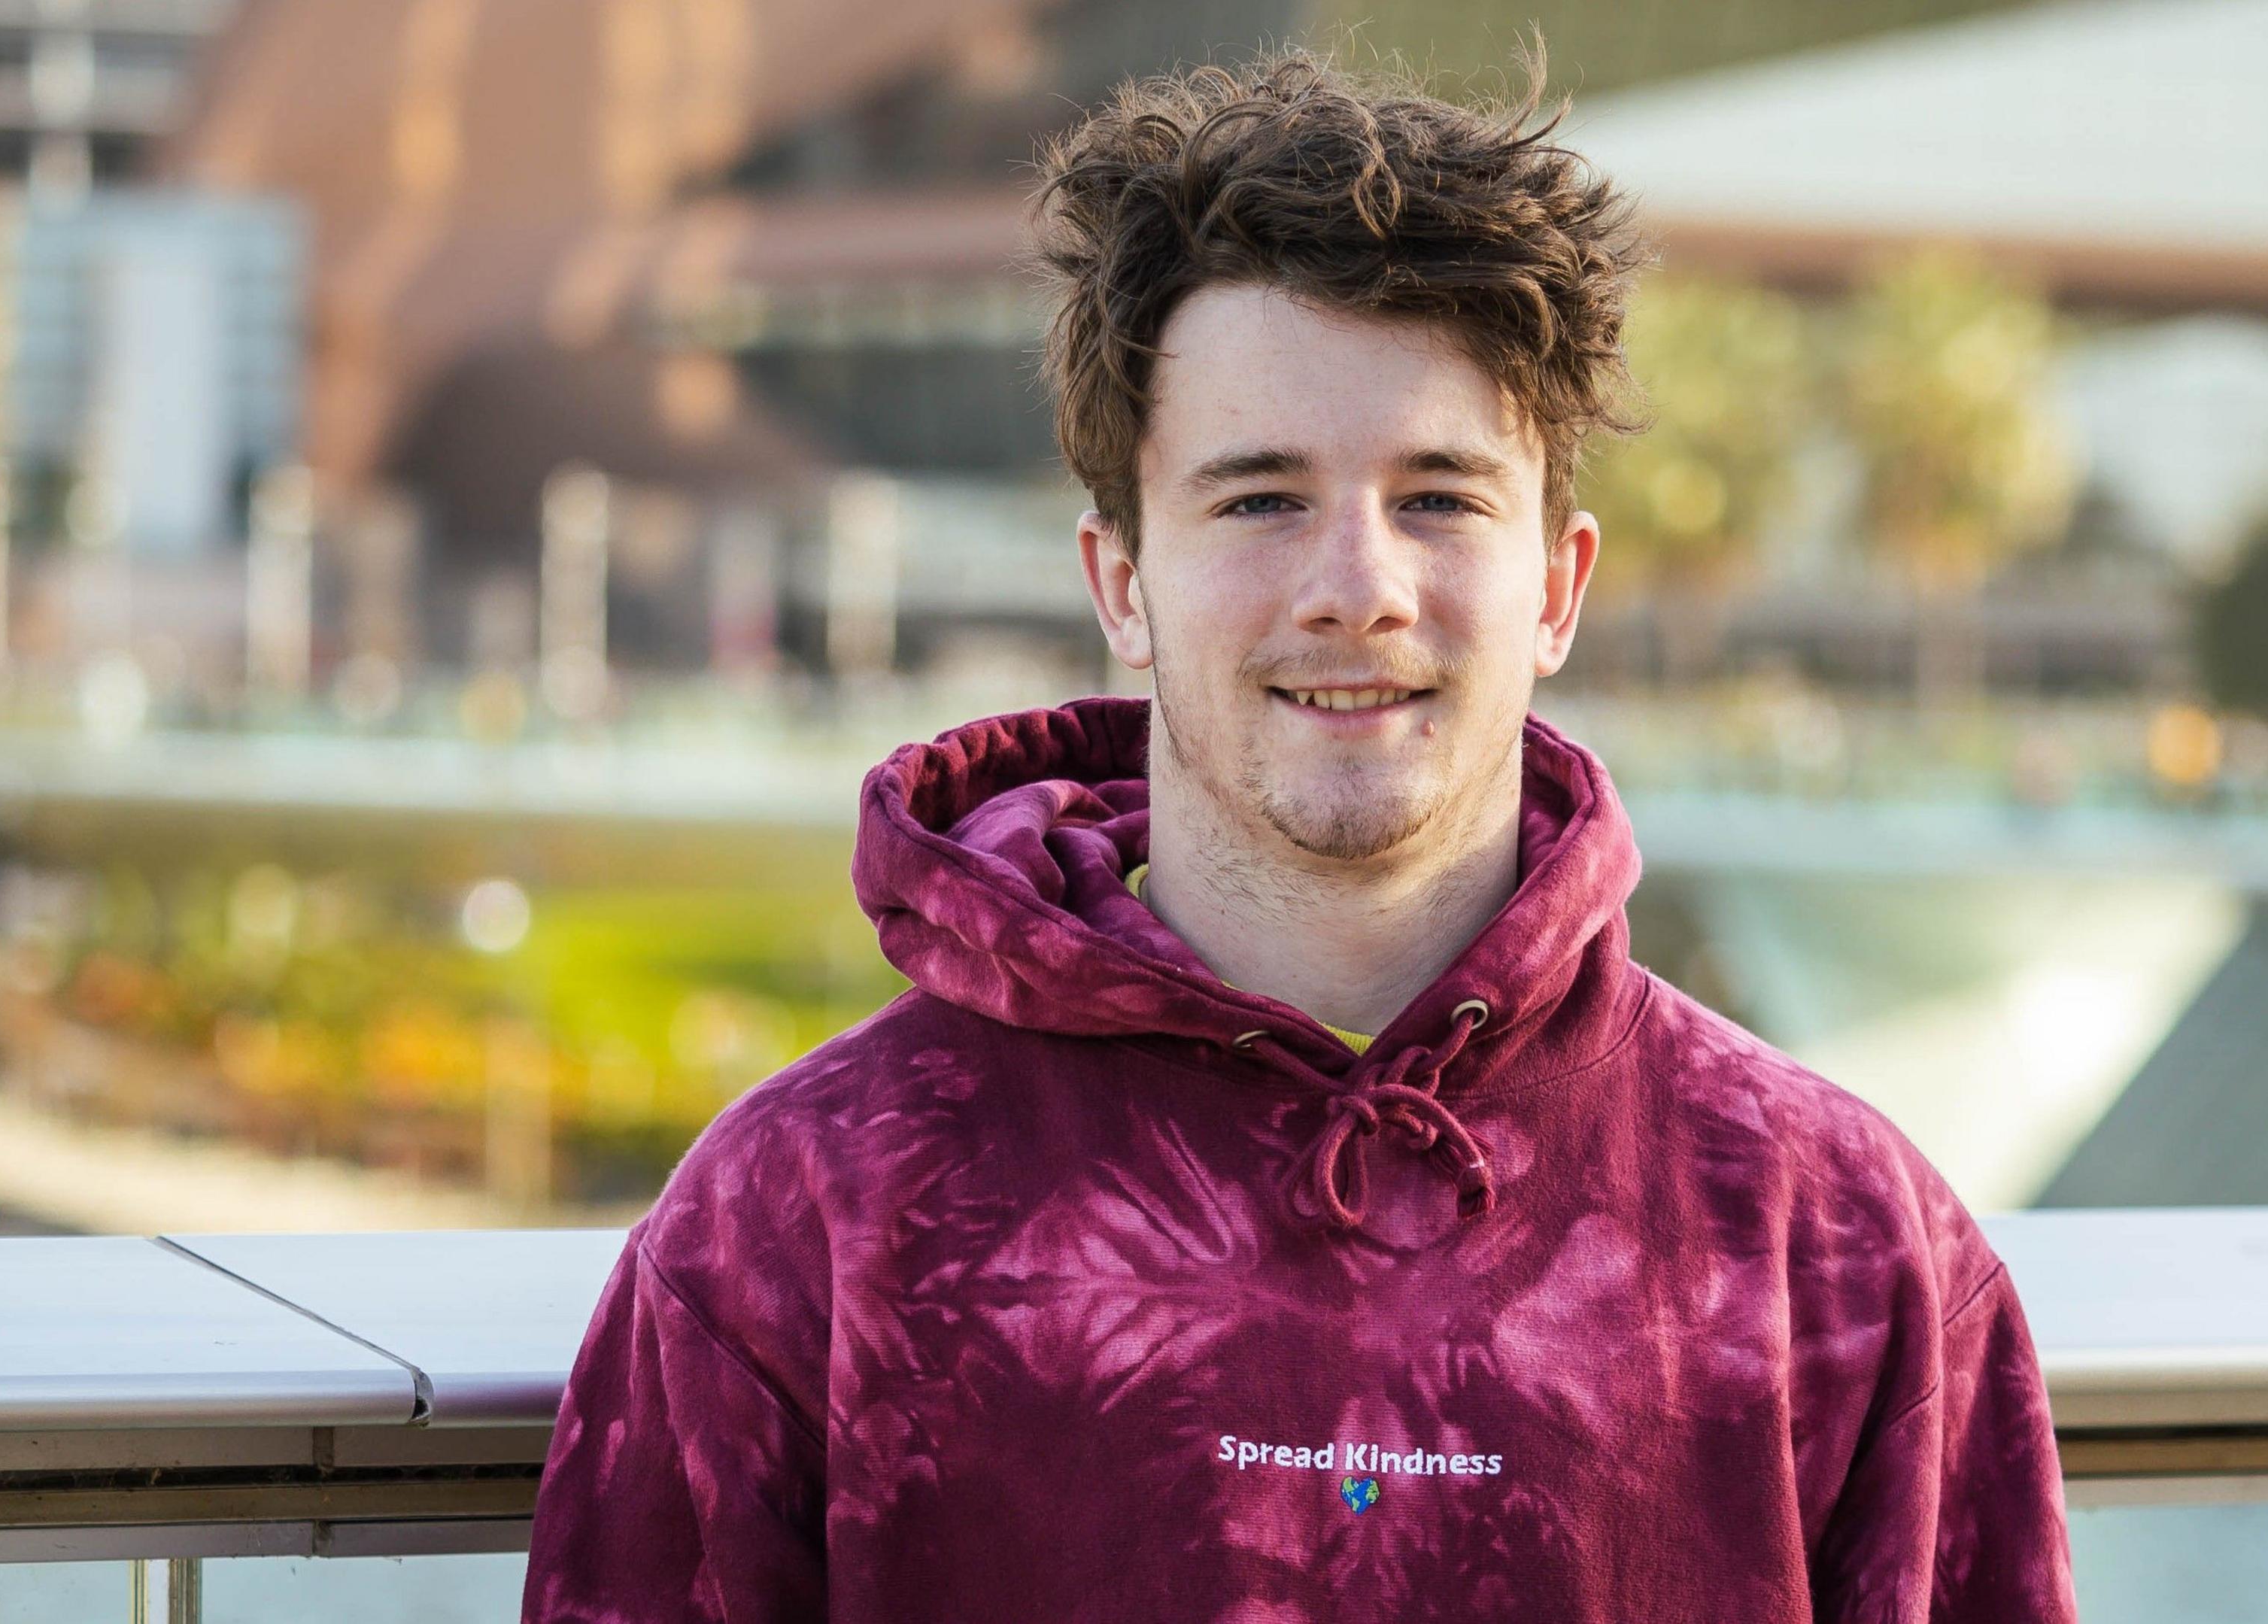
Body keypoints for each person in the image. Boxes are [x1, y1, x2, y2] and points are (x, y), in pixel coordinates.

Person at [524, 50, 2074, 1624]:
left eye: (1440, 499)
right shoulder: (803, 1224)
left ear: (1558, 584)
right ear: (1121, 580)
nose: (1358, 587)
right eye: (1259, 499)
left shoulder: (1842, 1247)